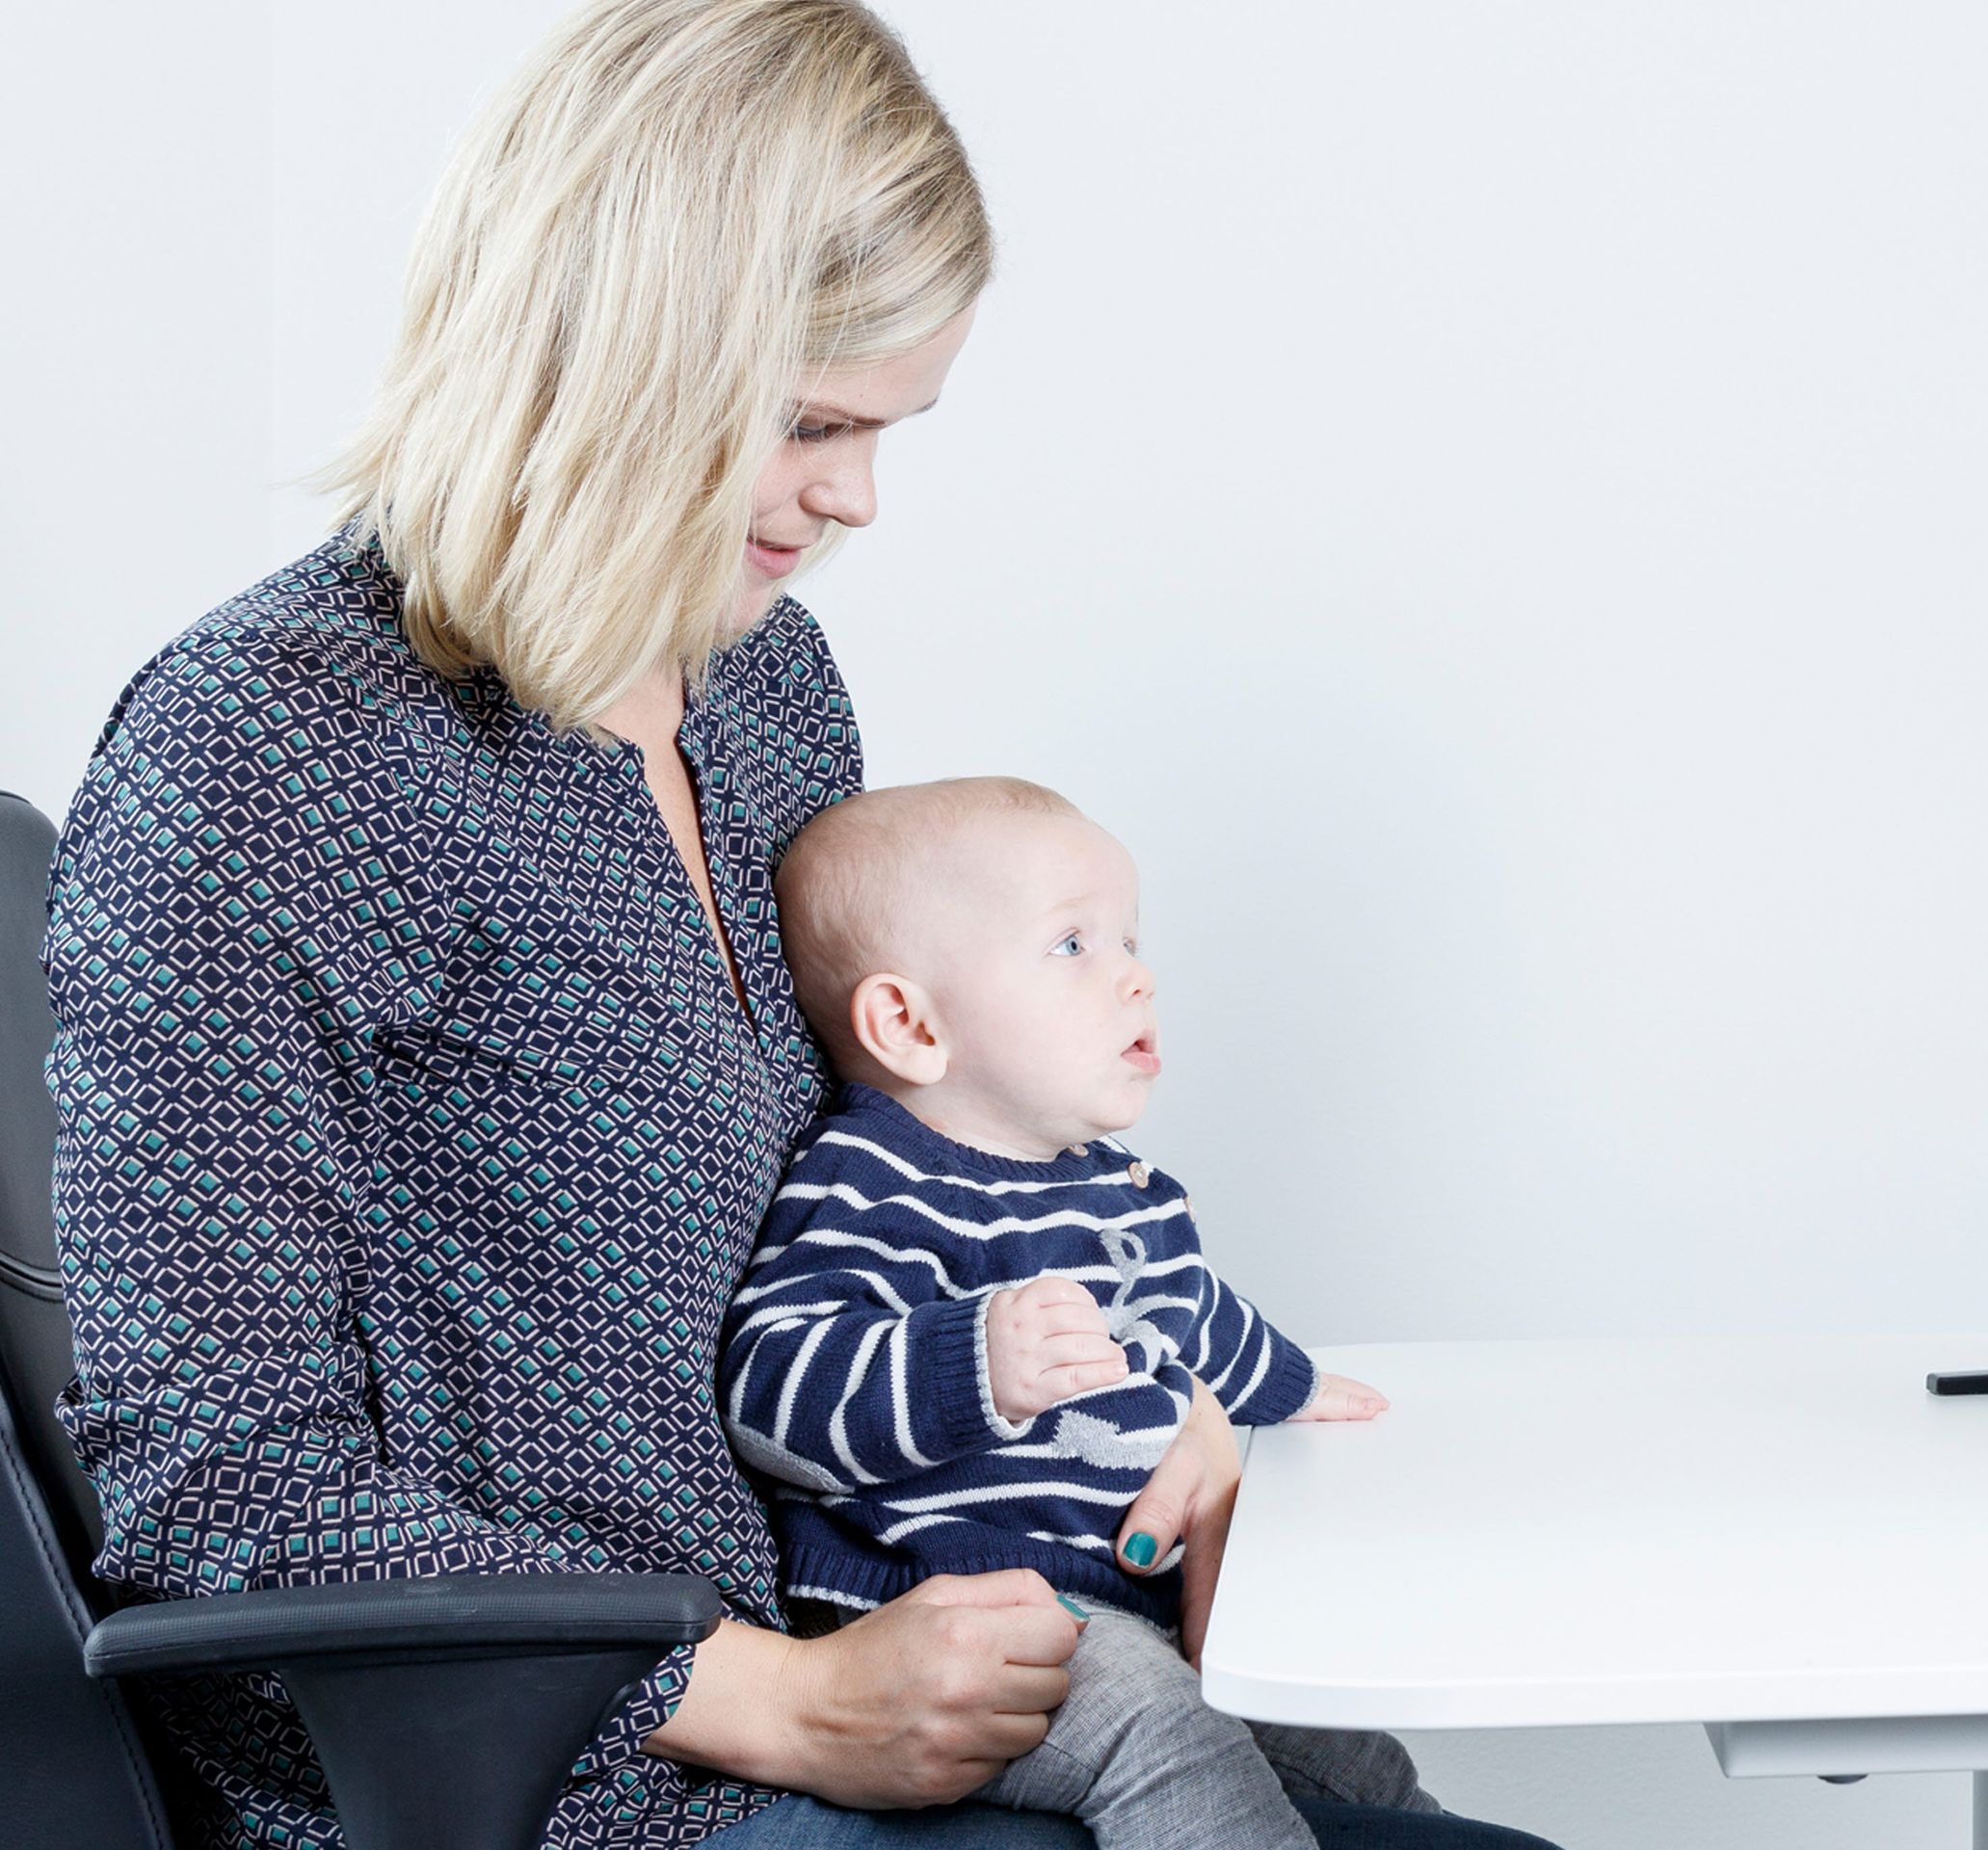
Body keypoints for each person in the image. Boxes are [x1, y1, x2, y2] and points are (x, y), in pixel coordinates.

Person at [40, 3, 1556, 1845]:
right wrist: (786, 1697)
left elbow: (896, 1204)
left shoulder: (764, 693)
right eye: (814, 424)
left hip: (905, 1654)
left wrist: (1132, 1429)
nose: (853, 497)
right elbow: (222, 1493)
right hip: (591, 1795)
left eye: (887, 427)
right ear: (615, 352)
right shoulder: (267, 750)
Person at [723, 779, 1428, 1850]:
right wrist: (971, 1361)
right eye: (1073, 948)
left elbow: (1193, 1317)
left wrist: (1294, 1386)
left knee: (1343, 1739)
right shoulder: (869, 1180)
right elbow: (771, 1389)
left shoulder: (1115, 1187)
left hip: (1123, 1599)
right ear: (909, 1024)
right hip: (951, 1607)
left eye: (1129, 941)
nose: (1135, 978)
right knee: (1161, 1732)